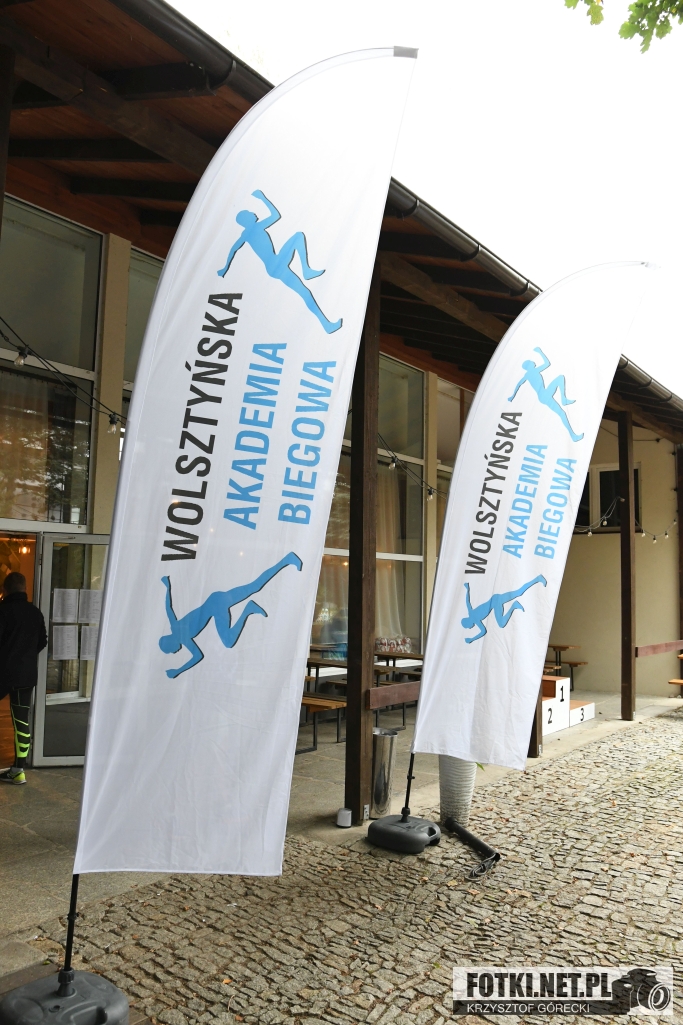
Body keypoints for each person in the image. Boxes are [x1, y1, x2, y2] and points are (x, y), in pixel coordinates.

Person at [0, 572, 47, 784]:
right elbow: (42, 641)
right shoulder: (35, 613)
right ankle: (18, 770)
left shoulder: (3, 611)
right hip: (25, 675)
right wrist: (25, 655)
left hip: (3, 672)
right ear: (25, 588)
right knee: (21, 721)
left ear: (5, 590)